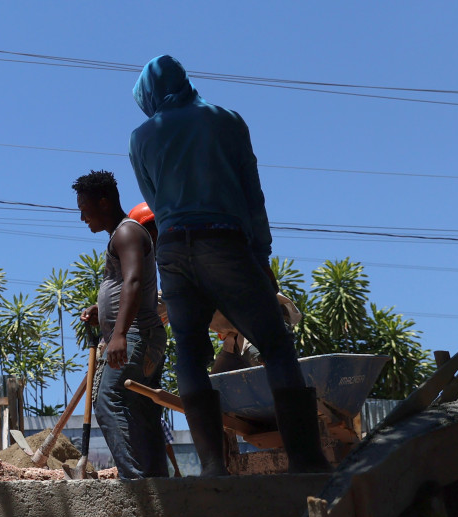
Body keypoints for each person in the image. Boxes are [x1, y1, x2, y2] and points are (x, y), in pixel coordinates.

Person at [128, 55, 329, 474]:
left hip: (173, 250)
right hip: (224, 241)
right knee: (275, 345)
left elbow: (156, 203)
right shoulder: (227, 121)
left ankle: (212, 469)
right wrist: (262, 256)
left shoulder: (141, 138)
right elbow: (252, 194)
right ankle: (306, 461)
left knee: (189, 352)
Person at [132, 202, 302, 373]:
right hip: (236, 337)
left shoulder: (193, 257)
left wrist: (126, 319)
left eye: (146, 238)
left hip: (262, 318)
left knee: (265, 361)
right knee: (219, 385)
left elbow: (163, 301)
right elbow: (160, 305)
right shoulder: (178, 267)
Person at [74, 170, 169, 479]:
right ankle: (157, 484)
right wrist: (101, 310)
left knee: (107, 400)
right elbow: (126, 284)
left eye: (85, 209)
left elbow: (133, 281)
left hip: (137, 335)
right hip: (143, 334)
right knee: (141, 409)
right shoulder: (123, 234)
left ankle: (136, 483)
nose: (82, 218)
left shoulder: (126, 233)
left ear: (104, 203)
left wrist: (119, 334)